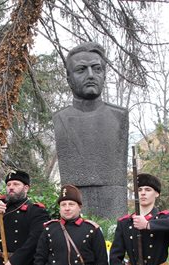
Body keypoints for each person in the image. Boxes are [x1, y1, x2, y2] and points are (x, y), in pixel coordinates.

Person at [53, 42, 129, 219]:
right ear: (69, 78)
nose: (90, 75)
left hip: (113, 202)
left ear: (104, 74)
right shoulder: (60, 118)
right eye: (81, 70)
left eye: (96, 69)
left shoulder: (119, 116)